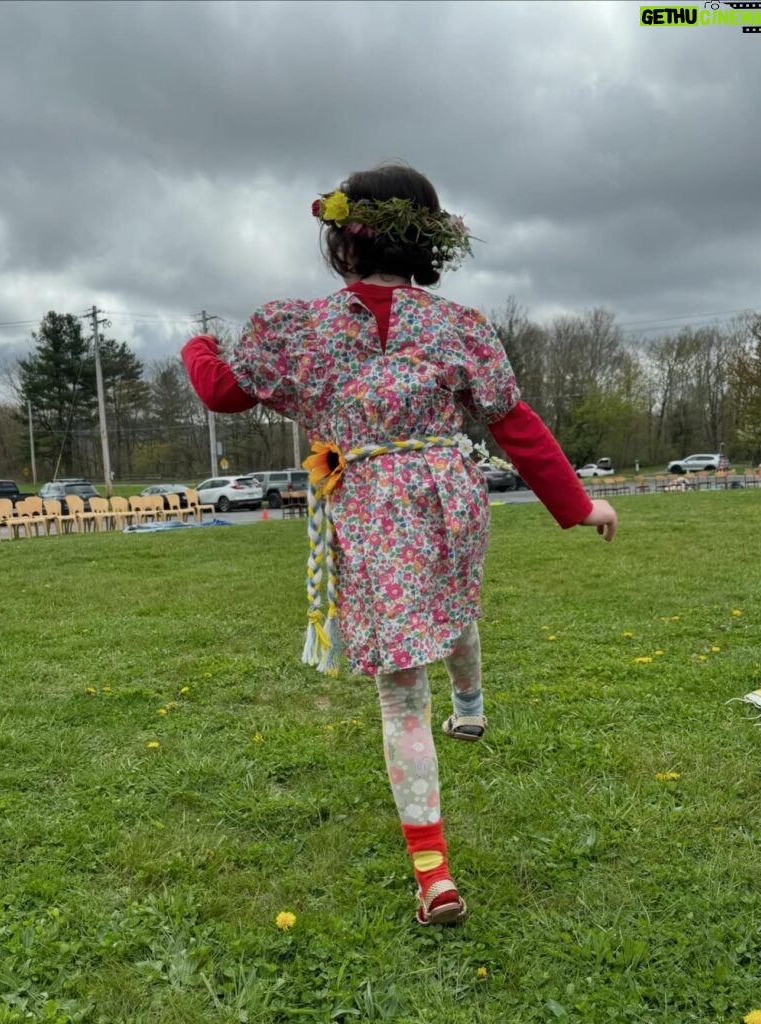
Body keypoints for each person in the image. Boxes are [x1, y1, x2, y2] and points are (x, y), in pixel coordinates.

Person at [182, 164, 617, 926]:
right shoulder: (461, 327)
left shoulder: (294, 327)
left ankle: (433, 873)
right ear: (430, 239)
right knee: (449, 604)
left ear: (342, 241)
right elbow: (513, 423)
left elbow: (222, 391)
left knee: (399, 689)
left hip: (368, 503)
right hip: (448, 494)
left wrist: (197, 346)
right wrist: (576, 506)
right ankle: (473, 704)